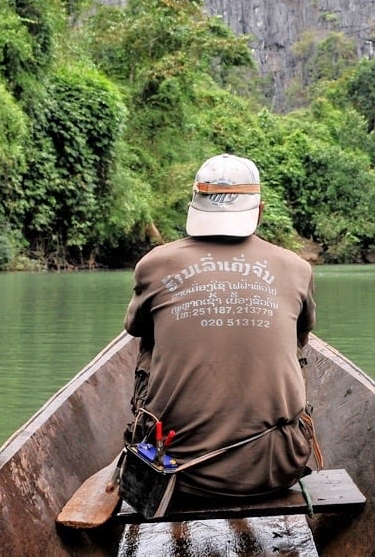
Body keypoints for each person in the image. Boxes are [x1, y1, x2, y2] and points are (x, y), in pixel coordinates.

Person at [123, 152, 317, 500]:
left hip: (174, 470)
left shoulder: (155, 264)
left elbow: (134, 328)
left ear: (194, 207)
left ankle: (155, 437)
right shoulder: (297, 268)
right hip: (277, 468)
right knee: (296, 343)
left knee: (150, 340)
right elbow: (304, 334)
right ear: (259, 210)